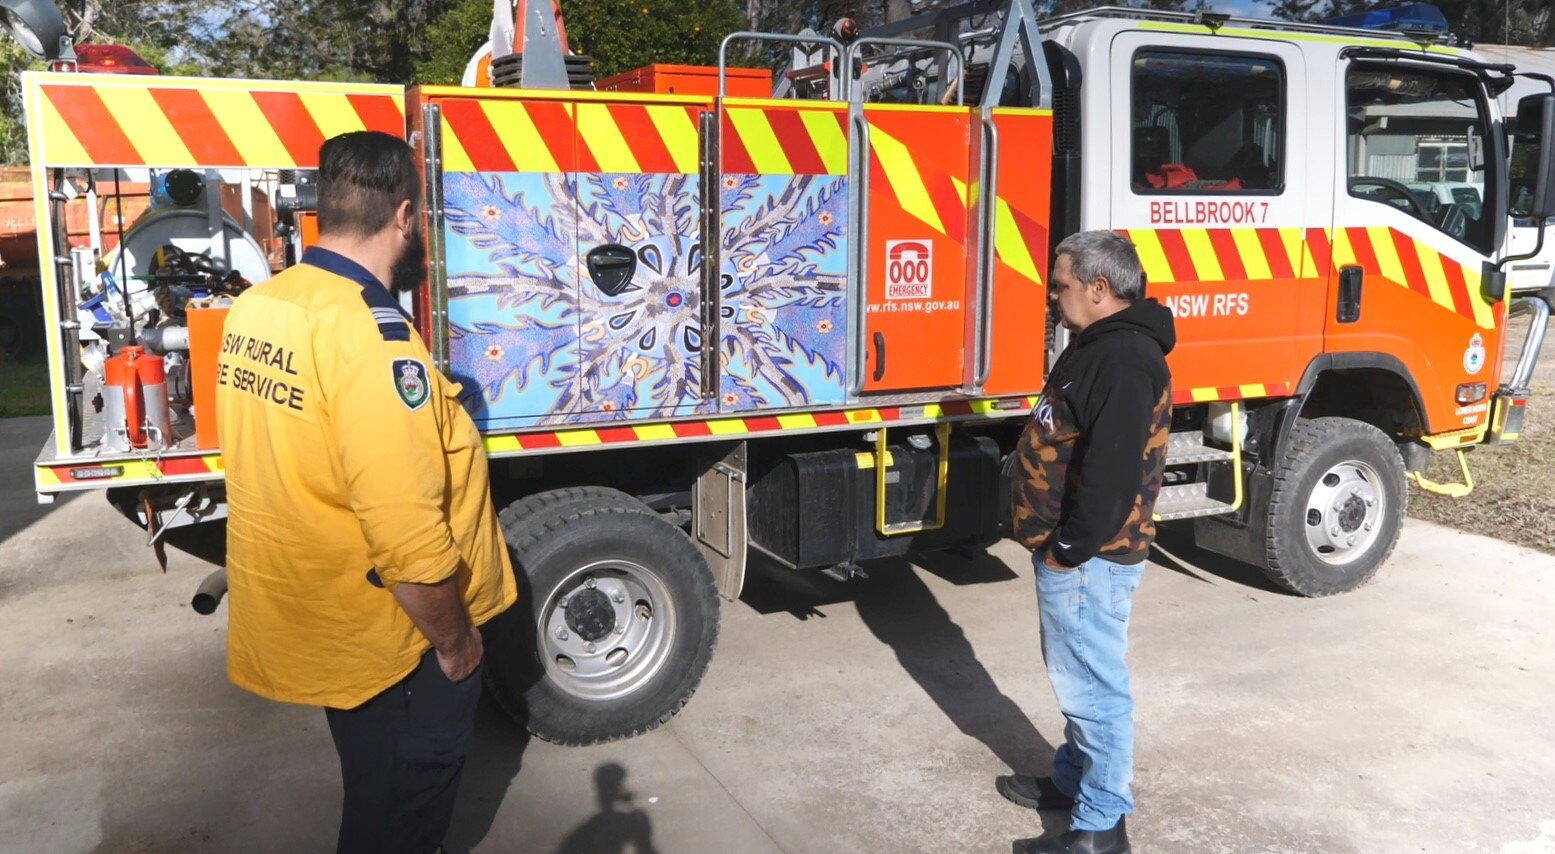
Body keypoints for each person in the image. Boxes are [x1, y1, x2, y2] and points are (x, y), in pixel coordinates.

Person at [216, 131, 516, 853]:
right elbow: (407, 533)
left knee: (373, 793)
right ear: (405, 217)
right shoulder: (374, 341)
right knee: (399, 820)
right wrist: (455, 644)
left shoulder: (262, 307)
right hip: (399, 645)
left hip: (331, 622)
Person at [1000, 230, 1175, 854]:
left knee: (1094, 689)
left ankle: (1100, 828)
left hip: (1090, 558)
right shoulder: (1099, 345)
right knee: (1081, 676)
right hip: (1080, 554)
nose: (1053, 296)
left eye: (1062, 285)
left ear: (1100, 289)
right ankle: (1073, 780)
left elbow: (1113, 471)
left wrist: (1068, 548)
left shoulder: (1123, 358)